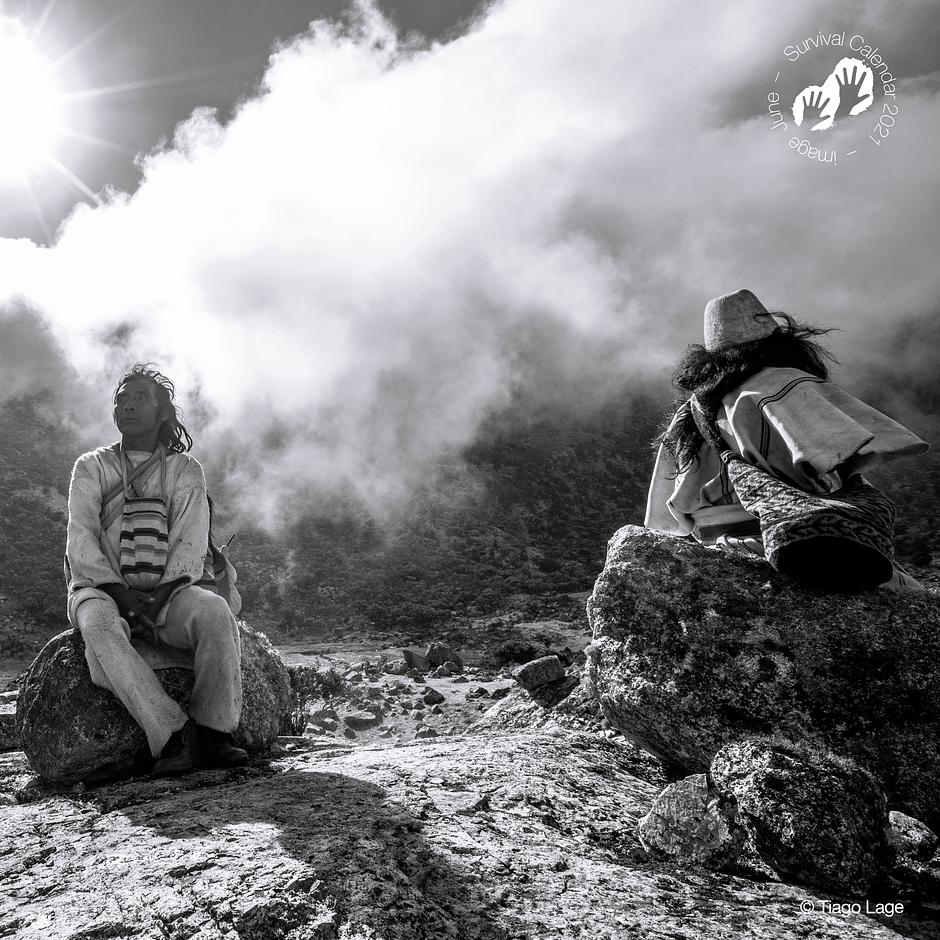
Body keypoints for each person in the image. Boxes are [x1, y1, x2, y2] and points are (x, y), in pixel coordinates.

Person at [645, 288, 929, 592]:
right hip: (789, 544)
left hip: (712, 549)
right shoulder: (785, 384)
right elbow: (828, 467)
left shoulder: (687, 417)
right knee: (917, 599)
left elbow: (666, 521)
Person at [66, 364, 248, 776]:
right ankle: (171, 735)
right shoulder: (91, 467)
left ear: (164, 412)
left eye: (139, 398)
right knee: (97, 624)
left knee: (214, 613)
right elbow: (81, 538)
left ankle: (215, 731)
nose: (126, 404)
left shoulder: (186, 471)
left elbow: (189, 542)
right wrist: (120, 594)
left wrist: (162, 595)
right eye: (121, 399)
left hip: (169, 593)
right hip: (103, 590)